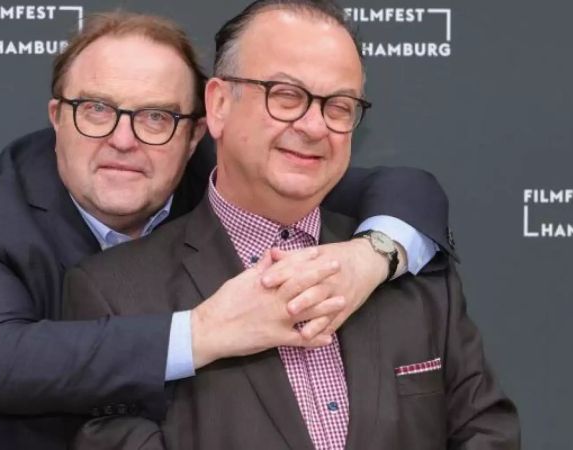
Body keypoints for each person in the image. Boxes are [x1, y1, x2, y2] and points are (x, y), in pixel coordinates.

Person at [0, 10, 455, 450]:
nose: (124, 140)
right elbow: (1, 361)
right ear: (56, 116)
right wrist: (204, 331)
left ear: (198, 129)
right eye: (97, 110)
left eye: (156, 117)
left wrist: (370, 258)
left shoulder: (220, 173)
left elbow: (408, 190)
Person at [63, 2, 519, 449]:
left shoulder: (410, 273)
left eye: (339, 106)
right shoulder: (116, 295)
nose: (315, 125)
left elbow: (489, 432)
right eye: (286, 96)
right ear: (219, 105)